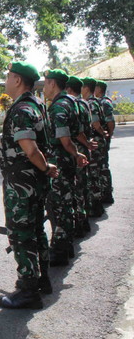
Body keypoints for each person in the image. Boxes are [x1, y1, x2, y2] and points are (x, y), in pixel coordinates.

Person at [0, 61, 58, 309]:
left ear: (18, 80)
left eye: (8, 77)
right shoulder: (38, 106)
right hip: (34, 182)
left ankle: (28, 290)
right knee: (35, 230)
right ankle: (41, 279)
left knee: (21, 235)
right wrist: (45, 169)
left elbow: (30, 149)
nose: (5, 81)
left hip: (22, 183)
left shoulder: (22, 110)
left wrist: (45, 166)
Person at [44, 68, 88, 267]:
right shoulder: (72, 103)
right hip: (66, 160)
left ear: (53, 84)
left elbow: (64, 138)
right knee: (66, 202)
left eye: (45, 83)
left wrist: (75, 153)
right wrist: (77, 152)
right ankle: (66, 244)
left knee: (58, 205)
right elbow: (77, 132)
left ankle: (60, 249)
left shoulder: (59, 106)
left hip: (59, 160)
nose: (44, 87)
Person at [66, 76, 95, 237]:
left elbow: (76, 132)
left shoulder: (72, 104)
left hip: (75, 149)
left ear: (68, 89)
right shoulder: (84, 104)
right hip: (83, 147)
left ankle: (78, 222)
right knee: (83, 185)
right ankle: (84, 219)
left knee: (75, 188)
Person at [81, 77, 107, 217]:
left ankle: (95, 207)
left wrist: (102, 134)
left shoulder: (90, 103)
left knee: (93, 174)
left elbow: (96, 124)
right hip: (96, 142)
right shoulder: (95, 102)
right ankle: (97, 204)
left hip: (94, 143)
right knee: (97, 172)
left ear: (86, 88)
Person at [94, 79, 115, 204]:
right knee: (100, 165)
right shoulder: (98, 102)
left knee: (102, 166)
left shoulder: (105, 102)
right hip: (101, 137)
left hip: (102, 138)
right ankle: (102, 191)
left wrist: (108, 136)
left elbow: (110, 122)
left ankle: (106, 193)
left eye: (95, 88)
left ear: (100, 89)